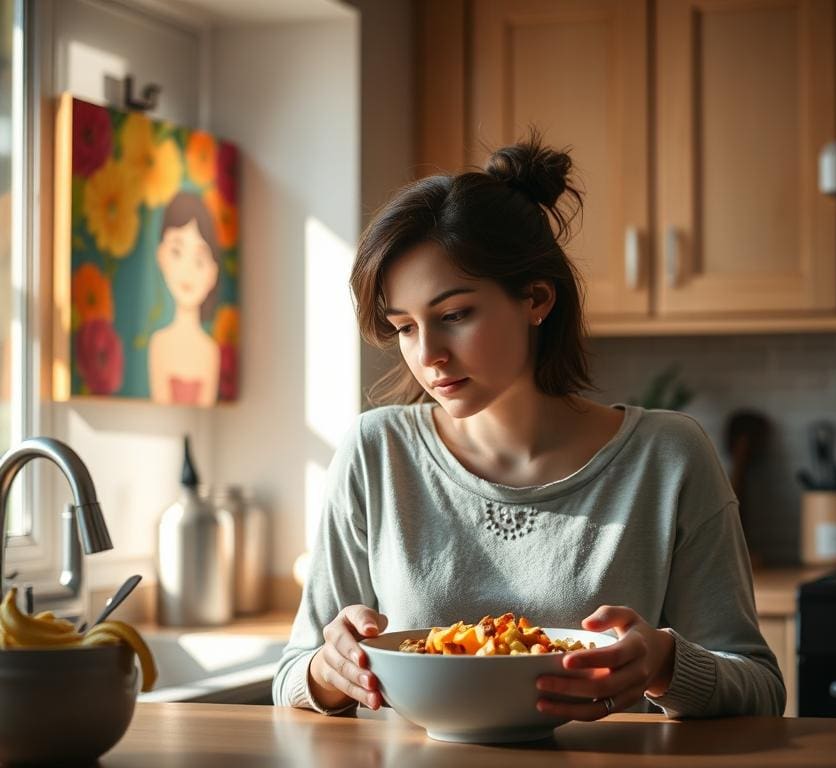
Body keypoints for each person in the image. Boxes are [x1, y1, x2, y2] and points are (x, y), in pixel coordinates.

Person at [274, 134, 785, 720]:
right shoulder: (376, 450)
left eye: (455, 315)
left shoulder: (668, 456)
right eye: (405, 328)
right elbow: (293, 673)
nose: (429, 354)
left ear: (537, 298)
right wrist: (327, 670)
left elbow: (763, 689)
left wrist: (667, 663)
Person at [148, 191, 220, 406]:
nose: (187, 270)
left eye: (199, 260)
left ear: (212, 273)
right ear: (161, 255)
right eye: (177, 252)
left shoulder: (210, 352)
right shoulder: (159, 344)